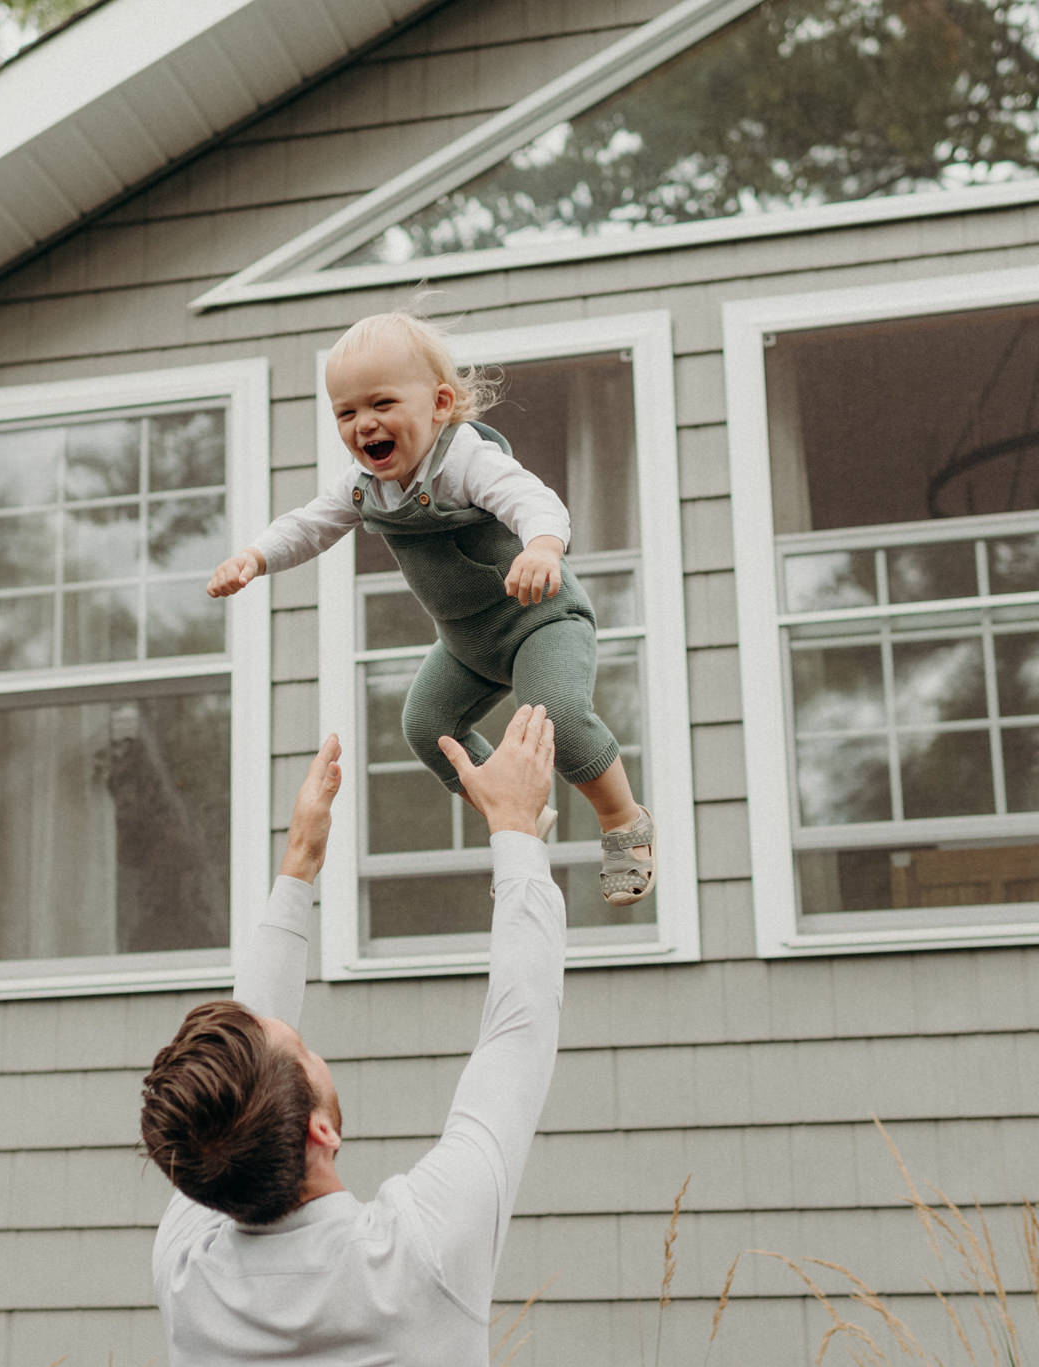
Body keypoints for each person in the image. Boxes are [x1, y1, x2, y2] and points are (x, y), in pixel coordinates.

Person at [141, 706, 566, 1364]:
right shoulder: (418, 1253)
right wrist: (515, 829)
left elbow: (240, 1078)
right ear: (321, 1130)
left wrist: (299, 865)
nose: (308, 1045)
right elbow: (519, 1032)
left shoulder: (188, 1273)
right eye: (305, 1051)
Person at [206, 309, 653, 904]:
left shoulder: (465, 459)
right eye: (346, 412)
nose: (365, 425)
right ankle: (519, 819)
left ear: (440, 404)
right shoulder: (364, 487)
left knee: (557, 720)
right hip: (466, 643)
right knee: (426, 729)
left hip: (541, 620)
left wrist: (543, 546)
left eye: (382, 404)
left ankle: (623, 820)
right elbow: (308, 526)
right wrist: (255, 557)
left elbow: (530, 498)